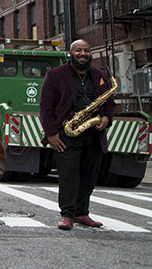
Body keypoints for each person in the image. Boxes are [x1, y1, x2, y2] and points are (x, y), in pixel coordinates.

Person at [40, 39, 115, 230]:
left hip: (93, 134)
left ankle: (82, 212)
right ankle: (67, 215)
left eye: (87, 51)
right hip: (67, 133)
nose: (83, 54)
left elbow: (109, 104)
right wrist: (51, 134)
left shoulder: (100, 75)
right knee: (68, 175)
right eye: (79, 50)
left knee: (89, 175)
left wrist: (105, 119)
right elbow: (45, 107)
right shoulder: (55, 75)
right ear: (70, 53)